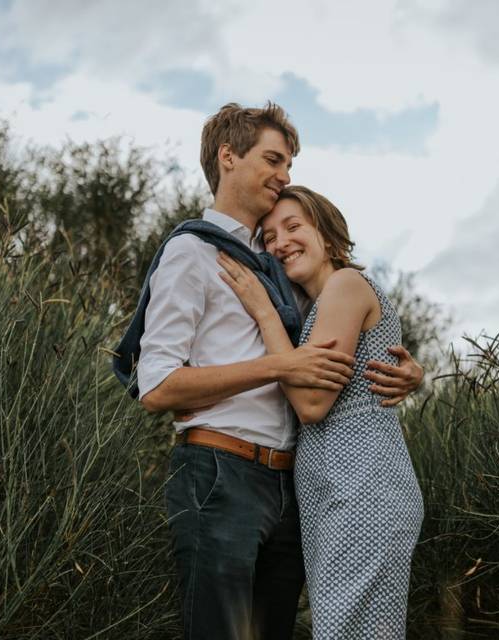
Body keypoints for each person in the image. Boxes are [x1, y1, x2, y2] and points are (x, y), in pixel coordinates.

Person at [129, 103, 424, 640]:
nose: (284, 175)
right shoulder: (191, 253)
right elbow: (156, 385)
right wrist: (279, 363)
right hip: (222, 472)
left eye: (288, 165)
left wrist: (410, 372)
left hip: (293, 486)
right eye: (273, 159)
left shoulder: (285, 272)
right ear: (228, 157)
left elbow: (350, 342)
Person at [216, 186, 424, 639]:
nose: (280, 242)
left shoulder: (345, 286)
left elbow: (312, 405)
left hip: (362, 489)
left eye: (294, 227)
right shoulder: (316, 306)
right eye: (269, 236)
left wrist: (262, 312)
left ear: (328, 238)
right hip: (340, 492)